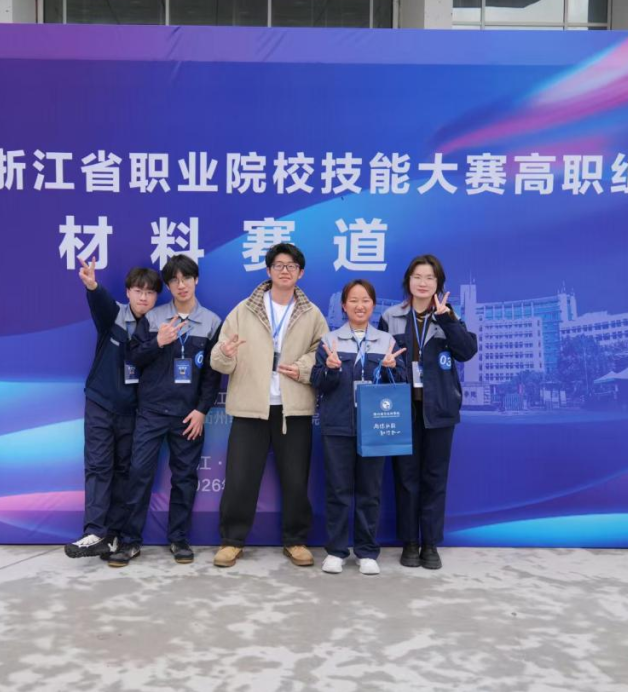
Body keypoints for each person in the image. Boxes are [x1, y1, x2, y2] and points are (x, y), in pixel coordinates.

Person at [210, 243, 329, 568]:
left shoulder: (312, 313)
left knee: (296, 479)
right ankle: (232, 541)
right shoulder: (244, 310)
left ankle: (296, 540)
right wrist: (226, 354)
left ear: (300, 273)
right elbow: (218, 358)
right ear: (268, 270)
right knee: (240, 478)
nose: (285, 270)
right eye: (278, 265)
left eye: (291, 266)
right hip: (251, 407)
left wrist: (301, 368)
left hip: (294, 409)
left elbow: (322, 352)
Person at [107, 254, 222, 568]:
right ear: (168, 286)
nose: (181, 285)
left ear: (196, 280)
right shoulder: (154, 318)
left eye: (186, 278)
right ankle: (130, 541)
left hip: (188, 416)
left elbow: (212, 375)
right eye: (174, 280)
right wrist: (157, 342)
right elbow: (133, 356)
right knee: (138, 475)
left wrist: (202, 410)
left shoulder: (212, 322)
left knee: (185, 479)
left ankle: (179, 539)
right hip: (152, 412)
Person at [378, 255, 478, 570]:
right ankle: (410, 542)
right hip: (402, 411)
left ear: (438, 284)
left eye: (430, 278)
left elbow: (467, 352)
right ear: (408, 281)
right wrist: (385, 364)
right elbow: (379, 364)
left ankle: (430, 543)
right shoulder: (391, 317)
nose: (423, 283)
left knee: (435, 478)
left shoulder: (449, 316)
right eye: (417, 277)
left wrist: (447, 320)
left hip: (440, 410)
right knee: (406, 478)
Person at [64, 260, 161, 559]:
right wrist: (92, 285)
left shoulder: (158, 326)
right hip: (101, 404)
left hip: (133, 412)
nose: (143, 297)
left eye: (150, 292)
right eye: (138, 290)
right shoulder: (115, 314)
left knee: (124, 472)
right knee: (98, 467)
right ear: (128, 292)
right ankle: (94, 531)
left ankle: (113, 535)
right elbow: (100, 302)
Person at [311, 279, 406, 576]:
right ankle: (336, 551)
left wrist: (392, 369)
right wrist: (330, 369)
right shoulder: (329, 341)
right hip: (337, 425)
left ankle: (366, 551)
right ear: (344, 305)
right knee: (338, 491)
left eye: (365, 300)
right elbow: (318, 382)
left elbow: (400, 383)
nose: (359, 306)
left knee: (370, 491)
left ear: (373, 305)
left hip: (375, 426)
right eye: (353, 300)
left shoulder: (387, 342)